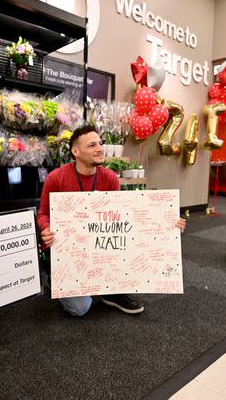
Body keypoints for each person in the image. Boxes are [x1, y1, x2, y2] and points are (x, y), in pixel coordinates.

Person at [37, 125, 186, 317]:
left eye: (100, 143)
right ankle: (58, 278)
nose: (99, 148)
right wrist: (47, 229)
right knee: (80, 308)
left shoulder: (109, 178)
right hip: (71, 250)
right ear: (75, 151)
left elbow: (122, 216)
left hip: (99, 246)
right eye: (92, 145)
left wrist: (167, 224)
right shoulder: (56, 178)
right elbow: (42, 213)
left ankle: (111, 290)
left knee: (120, 249)